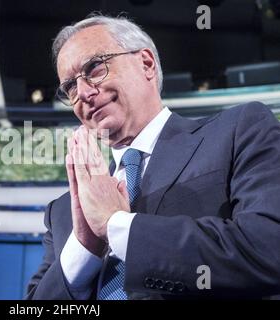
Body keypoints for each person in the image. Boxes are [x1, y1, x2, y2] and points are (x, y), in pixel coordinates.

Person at [26, 14, 280, 300]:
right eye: (70, 86)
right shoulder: (65, 213)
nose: (83, 92)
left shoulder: (238, 131)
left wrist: (115, 225)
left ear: (146, 64)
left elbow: (268, 251)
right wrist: (85, 249)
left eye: (95, 67)